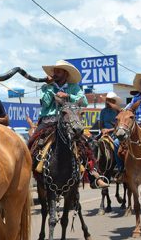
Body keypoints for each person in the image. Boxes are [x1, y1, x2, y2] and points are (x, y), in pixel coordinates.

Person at [30, 60, 108, 188]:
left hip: (69, 120)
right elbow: (46, 103)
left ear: (65, 74)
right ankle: (26, 171)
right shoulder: (46, 87)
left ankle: (94, 175)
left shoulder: (74, 87)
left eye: (58, 72)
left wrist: (68, 96)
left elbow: (84, 102)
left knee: (86, 143)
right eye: (54, 71)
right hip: (49, 120)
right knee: (32, 142)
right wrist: (50, 87)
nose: (55, 74)